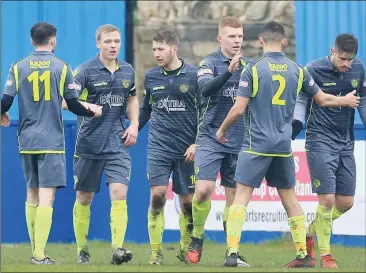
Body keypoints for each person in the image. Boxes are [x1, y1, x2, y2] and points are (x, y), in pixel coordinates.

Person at [215, 21, 360, 268]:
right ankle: (304, 254)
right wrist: (345, 100)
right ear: (283, 41)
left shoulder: (253, 69)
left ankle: (232, 252)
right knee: (291, 200)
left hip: (256, 144)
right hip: (282, 146)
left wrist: (222, 129)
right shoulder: (298, 70)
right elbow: (323, 99)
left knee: (241, 197)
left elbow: (239, 109)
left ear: (261, 40)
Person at [0, 22, 101, 265]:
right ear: (53, 40)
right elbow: (74, 104)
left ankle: (36, 250)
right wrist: (92, 112)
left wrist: (1, 113)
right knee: (47, 197)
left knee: (31, 192)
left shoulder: (18, 66)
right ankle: (39, 254)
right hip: (51, 140)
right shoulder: (62, 67)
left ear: (32, 41)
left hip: (26, 139)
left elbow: (5, 101)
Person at [292, 33, 366, 268]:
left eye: (350, 60)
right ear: (332, 52)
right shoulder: (313, 69)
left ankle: (312, 230)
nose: (346, 65)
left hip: (346, 143)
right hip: (319, 141)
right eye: (343, 59)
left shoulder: (358, 69)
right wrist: (295, 125)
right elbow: (302, 101)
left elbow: (362, 100)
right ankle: (325, 255)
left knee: (345, 202)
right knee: (326, 199)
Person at [70, 24, 139, 265]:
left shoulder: (128, 70)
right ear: (98, 44)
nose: (113, 46)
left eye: (117, 41)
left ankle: (118, 249)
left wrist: (134, 124)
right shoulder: (84, 71)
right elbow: (66, 101)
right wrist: (87, 107)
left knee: (119, 193)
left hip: (118, 143)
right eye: (108, 41)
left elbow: (132, 98)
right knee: (84, 198)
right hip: (89, 144)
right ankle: (82, 250)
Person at [186, 16, 251, 266]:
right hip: (211, 137)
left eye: (240, 36)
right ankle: (197, 237)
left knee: (234, 198)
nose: (236, 40)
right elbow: (205, 89)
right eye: (231, 36)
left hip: (240, 139)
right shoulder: (209, 63)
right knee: (203, 191)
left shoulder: (250, 67)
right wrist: (228, 72)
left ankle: (231, 251)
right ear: (220, 38)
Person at [138, 29, 198, 265]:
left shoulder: (194, 75)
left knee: (187, 203)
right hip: (159, 147)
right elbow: (145, 109)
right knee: (157, 197)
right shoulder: (152, 76)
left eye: (160, 49)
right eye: (153, 49)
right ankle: (156, 253)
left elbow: (206, 112)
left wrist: (198, 142)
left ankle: (185, 248)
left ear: (174, 48)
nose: (156, 54)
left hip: (186, 150)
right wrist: (133, 129)